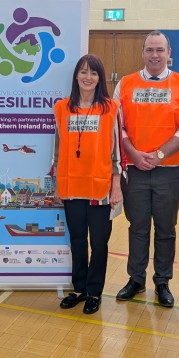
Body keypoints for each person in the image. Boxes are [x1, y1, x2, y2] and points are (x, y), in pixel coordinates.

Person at [114, 31, 179, 307]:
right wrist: (134, 154)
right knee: (137, 227)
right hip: (135, 169)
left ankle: (162, 281)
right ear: (142, 52)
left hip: (169, 171)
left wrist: (159, 155)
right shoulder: (125, 84)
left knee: (165, 229)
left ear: (169, 52)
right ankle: (136, 279)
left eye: (160, 50)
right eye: (149, 50)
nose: (154, 55)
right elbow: (118, 125)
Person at [53, 55, 122, 315]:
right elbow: (57, 150)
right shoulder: (62, 108)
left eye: (93, 73)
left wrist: (116, 185)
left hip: (100, 188)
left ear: (99, 78)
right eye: (83, 72)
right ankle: (79, 288)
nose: (88, 77)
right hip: (71, 187)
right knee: (78, 240)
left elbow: (117, 151)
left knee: (99, 243)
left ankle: (94, 291)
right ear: (76, 76)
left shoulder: (110, 108)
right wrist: (57, 184)